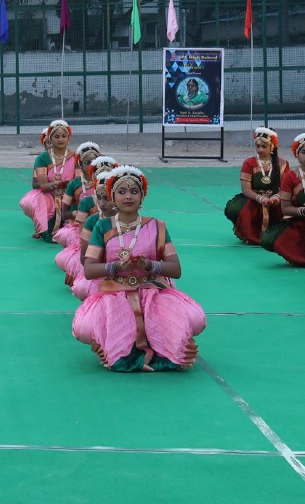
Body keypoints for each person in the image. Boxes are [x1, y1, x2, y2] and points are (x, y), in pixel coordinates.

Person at [71, 166, 206, 371]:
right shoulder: (103, 226)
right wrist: (115, 266)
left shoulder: (157, 226)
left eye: (134, 191)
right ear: (112, 196)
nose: (128, 196)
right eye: (122, 192)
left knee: (194, 320)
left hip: (152, 290)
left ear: (142, 197)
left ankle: (156, 347)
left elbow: (175, 269)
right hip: (116, 293)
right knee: (87, 329)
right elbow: (89, 270)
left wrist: (149, 265)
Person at [260, 132, 305, 267]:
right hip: (297, 222)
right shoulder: (290, 177)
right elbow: (285, 208)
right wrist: (303, 211)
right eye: (304, 152)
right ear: (297, 155)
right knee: (268, 239)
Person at [57, 156, 118, 294]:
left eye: (108, 198)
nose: (102, 203)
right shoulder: (90, 212)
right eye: (100, 197)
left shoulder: (139, 222)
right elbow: (85, 257)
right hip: (100, 265)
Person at [20, 119, 78, 241]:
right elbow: (42, 185)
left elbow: (78, 184)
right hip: (50, 197)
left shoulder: (75, 157)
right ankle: (45, 226)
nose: (60, 139)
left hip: (71, 196)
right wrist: (57, 184)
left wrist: (68, 192)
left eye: (64, 136)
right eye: (56, 136)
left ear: (69, 138)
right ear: (50, 139)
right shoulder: (43, 158)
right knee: (35, 199)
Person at [223, 127, 282, 246]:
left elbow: (286, 188)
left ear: (272, 147)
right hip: (254, 198)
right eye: (257, 146)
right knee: (237, 209)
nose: (260, 149)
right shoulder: (249, 163)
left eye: (264, 146)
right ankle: (251, 234)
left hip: (275, 199)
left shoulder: (283, 163)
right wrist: (261, 198)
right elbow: (246, 190)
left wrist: (276, 197)